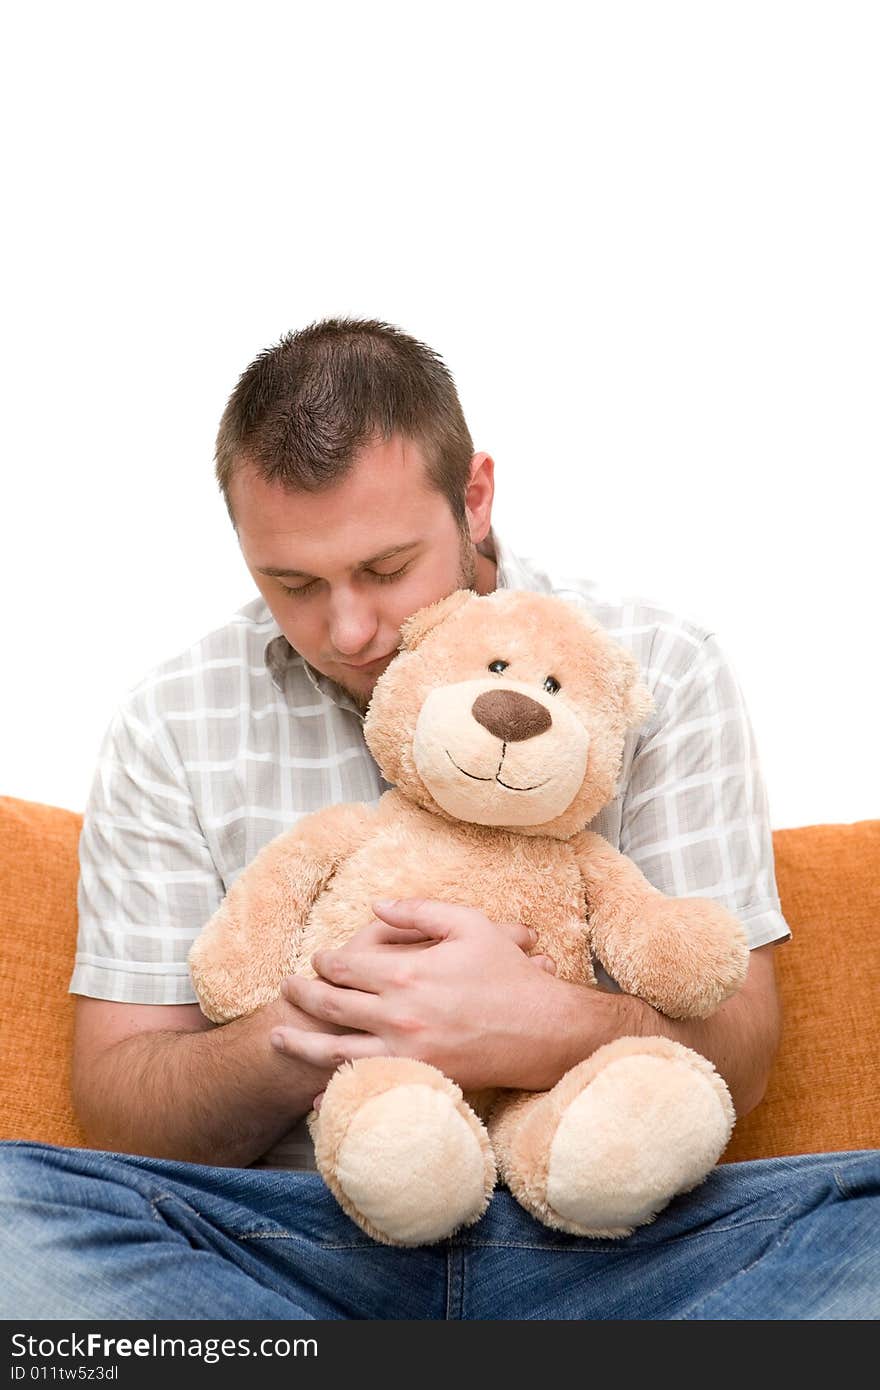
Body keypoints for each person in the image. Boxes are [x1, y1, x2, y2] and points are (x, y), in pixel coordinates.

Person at [1, 317, 877, 1321]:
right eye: (291, 583)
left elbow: (744, 1041)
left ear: (475, 497)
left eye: (383, 568)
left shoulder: (649, 667)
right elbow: (123, 1100)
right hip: (287, 1252)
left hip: (617, 1256)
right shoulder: (175, 714)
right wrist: (316, 1026)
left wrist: (547, 1027)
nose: (348, 629)